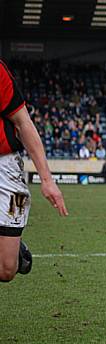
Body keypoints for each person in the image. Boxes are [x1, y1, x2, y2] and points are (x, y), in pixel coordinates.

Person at [0, 59, 68, 282]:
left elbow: (23, 123)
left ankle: (13, 249)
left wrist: (47, 180)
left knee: (6, 269)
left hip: (6, 170)